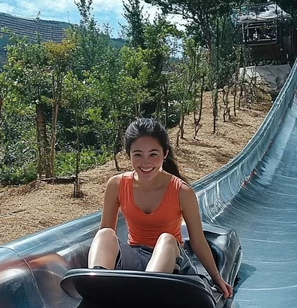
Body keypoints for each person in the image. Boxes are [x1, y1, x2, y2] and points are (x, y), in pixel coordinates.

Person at [88, 118, 233, 298]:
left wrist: (216, 277)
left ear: (165, 154)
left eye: (153, 154)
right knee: (104, 234)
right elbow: (106, 234)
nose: (145, 162)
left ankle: (147, 292)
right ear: (129, 155)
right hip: (135, 256)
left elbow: (197, 240)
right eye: (138, 154)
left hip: (172, 261)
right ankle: (96, 286)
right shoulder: (117, 184)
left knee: (166, 239)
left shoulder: (181, 191)